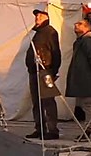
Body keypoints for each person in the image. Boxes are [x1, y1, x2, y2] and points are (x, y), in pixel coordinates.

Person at [22, 8, 61, 140]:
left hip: (45, 70)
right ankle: (40, 128)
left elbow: (55, 52)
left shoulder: (49, 32)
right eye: (36, 16)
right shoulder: (38, 33)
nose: (37, 17)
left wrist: (53, 71)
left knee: (48, 101)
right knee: (36, 101)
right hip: (34, 71)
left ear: (46, 17)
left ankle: (52, 130)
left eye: (39, 15)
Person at [65, 16, 91, 131]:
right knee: (85, 105)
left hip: (87, 77)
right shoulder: (81, 41)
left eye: (79, 24)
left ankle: (89, 130)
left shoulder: (89, 41)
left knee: (88, 104)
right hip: (83, 77)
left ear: (86, 28)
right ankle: (88, 129)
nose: (76, 25)